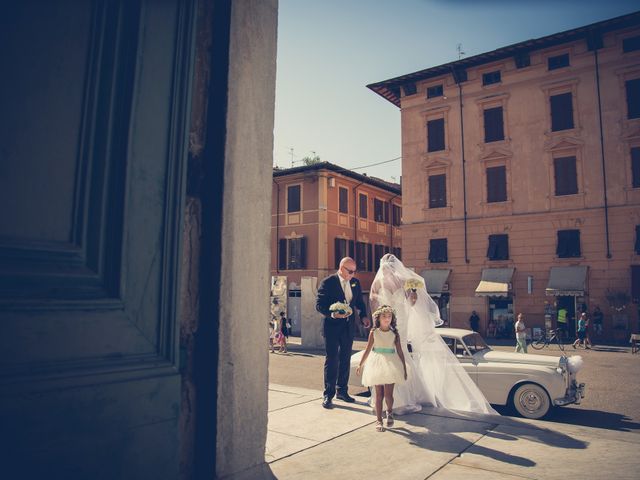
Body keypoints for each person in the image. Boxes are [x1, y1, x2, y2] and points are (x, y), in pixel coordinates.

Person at [352, 253, 497, 416]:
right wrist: (411, 294)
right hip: (398, 319)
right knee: (398, 353)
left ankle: (392, 399)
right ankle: (400, 398)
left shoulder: (378, 283)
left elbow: (375, 305)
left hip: (392, 321)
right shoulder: (399, 281)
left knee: (393, 354)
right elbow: (406, 303)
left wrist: (377, 323)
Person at [316, 257, 370, 409]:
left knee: (345, 359)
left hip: (348, 327)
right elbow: (319, 305)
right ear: (341, 268)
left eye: (354, 271)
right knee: (332, 360)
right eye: (350, 271)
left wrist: (364, 316)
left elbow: (359, 302)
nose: (353, 274)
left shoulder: (355, 283)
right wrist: (333, 314)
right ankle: (328, 394)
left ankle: (342, 391)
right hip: (331, 327)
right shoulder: (327, 283)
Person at [356, 305, 407, 432]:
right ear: (378, 318)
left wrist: (404, 367)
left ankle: (389, 411)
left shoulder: (394, 333)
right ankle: (379, 419)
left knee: (388, 395)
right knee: (379, 395)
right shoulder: (374, 332)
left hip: (391, 362)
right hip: (377, 363)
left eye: (389, 316)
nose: (387, 319)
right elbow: (368, 350)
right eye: (384, 316)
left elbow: (400, 352)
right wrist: (360, 364)